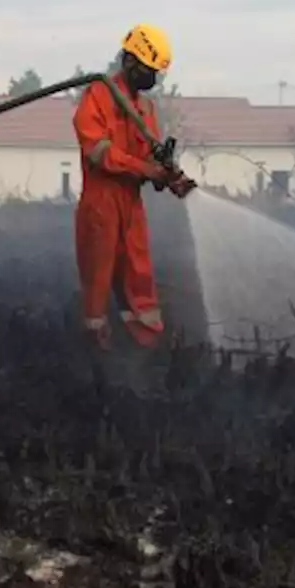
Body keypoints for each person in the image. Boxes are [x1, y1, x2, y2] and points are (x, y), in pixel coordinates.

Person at [72, 24, 194, 351]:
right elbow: (98, 151)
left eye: (156, 73)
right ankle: (94, 346)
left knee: (139, 274)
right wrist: (147, 170)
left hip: (131, 204)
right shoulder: (98, 95)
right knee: (98, 277)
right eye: (147, 70)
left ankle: (144, 346)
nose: (151, 78)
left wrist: (171, 178)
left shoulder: (146, 109)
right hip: (101, 203)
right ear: (129, 62)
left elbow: (149, 157)